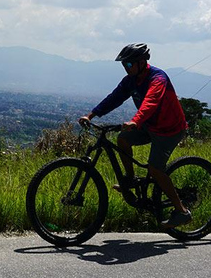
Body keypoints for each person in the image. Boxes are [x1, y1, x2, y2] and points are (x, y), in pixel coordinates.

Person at [79, 43, 191, 228]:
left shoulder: (158, 78)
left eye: (129, 64)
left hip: (169, 130)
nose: (126, 67)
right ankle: (130, 180)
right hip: (149, 126)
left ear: (142, 62)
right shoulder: (130, 80)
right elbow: (114, 98)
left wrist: (136, 121)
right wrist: (91, 114)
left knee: (155, 169)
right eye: (124, 65)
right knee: (123, 138)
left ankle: (182, 211)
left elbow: (151, 101)